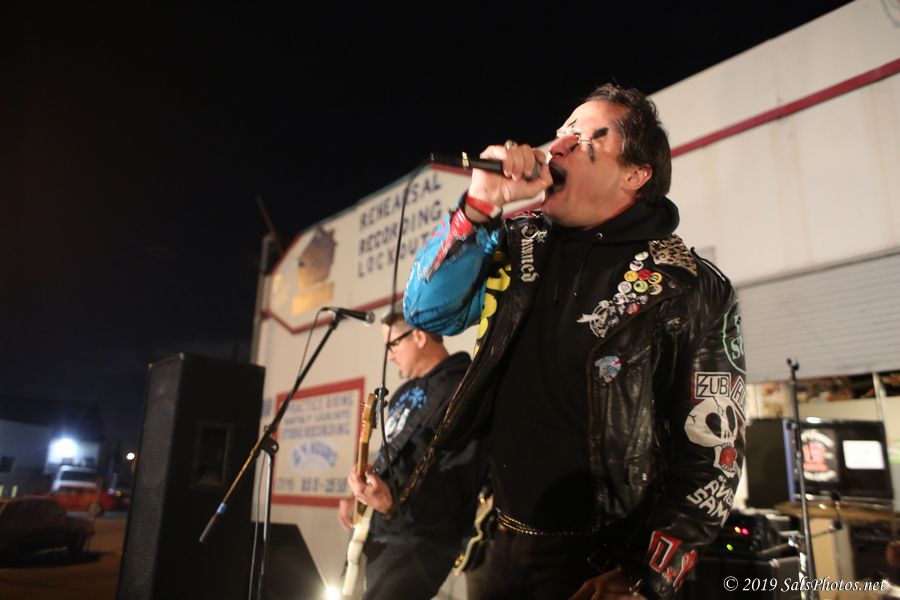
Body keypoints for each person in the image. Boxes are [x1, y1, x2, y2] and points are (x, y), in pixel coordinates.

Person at [398, 83, 747, 600]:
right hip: (497, 542)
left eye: (583, 140)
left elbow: (714, 451)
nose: (555, 146)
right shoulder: (518, 242)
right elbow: (427, 312)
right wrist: (478, 205)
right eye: (561, 132)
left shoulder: (690, 286)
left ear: (635, 174)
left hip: (602, 561)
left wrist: (647, 573)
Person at [339, 311, 487, 600]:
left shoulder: (461, 389)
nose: (390, 356)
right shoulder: (403, 392)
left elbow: (461, 479)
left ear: (419, 336)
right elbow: (392, 460)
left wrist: (393, 505)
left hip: (421, 541)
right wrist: (359, 498)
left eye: (392, 345)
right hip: (381, 533)